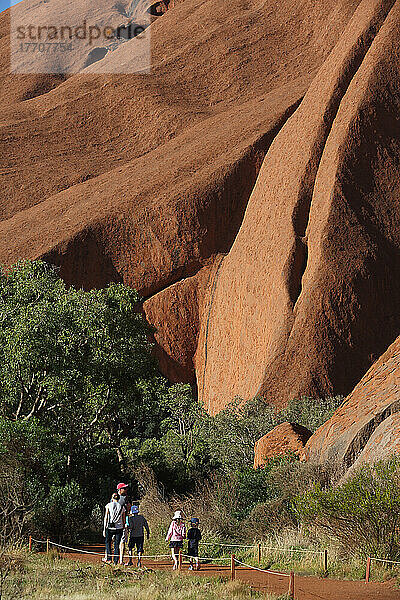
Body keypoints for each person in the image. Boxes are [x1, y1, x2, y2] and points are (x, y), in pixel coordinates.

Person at [103, 493, 126, 565]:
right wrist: (124, 528)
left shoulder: (108, 505)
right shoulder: (122, 507)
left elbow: (106, 517)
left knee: (108, 542)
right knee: (117, 544)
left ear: (112, 498)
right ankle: (116, 561)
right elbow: (124, 519)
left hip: (109, 527)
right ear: (119, 499)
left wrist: (104, 528)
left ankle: (109, 559)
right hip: (119, 527)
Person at [117, 483, 131, 565]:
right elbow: (128, 509)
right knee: (121, 541)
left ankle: (115, 558)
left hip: (115, 523)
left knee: (117, 541)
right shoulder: (124, 499)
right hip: (122, 522)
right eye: (124, 488)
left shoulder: (113, 499)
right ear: (120, 489)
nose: (126, 490)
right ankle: (121, 560)